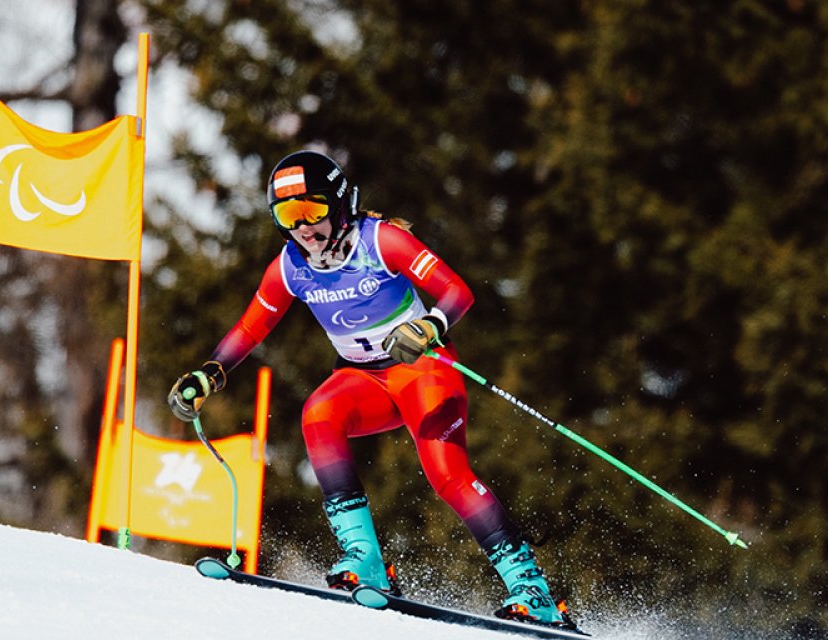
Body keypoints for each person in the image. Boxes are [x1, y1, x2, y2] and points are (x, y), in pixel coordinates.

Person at [167, 150, 576, 629]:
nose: (303, 228)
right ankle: (365, 560)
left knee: (447, 473)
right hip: (364, 380)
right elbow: (251, 327)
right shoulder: (290, 267)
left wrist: (430, 325)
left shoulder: (382, 241)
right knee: (319, 414)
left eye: (312, 211)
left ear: (339, 205)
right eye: (288, 215)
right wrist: (210, 372)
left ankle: (533, 591)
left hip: (424, 372)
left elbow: (457, 292)